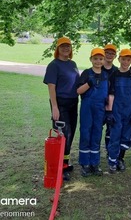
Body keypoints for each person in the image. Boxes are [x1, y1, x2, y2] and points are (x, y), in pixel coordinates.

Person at [43, 36, 80, 181]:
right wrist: (55, 107)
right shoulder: (54, 65)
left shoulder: (72, 64)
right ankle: (59, 167)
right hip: (61, 103)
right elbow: (51, 87)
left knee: (71, 134)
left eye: (68, 46)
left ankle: (65, 162)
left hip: (73, 103)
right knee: (64, 134)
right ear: (57, 48)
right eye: (63, 46)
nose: (66, 48)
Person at [106, 49, 131, 174]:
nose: (126, 62)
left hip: (129, 111)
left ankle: (120, 159)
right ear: (119, 59)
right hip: (116, 111)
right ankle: (112, 162)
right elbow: (111, 94)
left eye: (128, 59)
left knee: (126, 137)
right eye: (123, 59)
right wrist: (109, 111)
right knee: (115, 136)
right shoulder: (114, 75)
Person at [77, 48, 109, 177]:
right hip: (87, 106)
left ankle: (95, 163)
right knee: (85, 132)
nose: (98, 61)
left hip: (100, 108)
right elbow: (78, 91)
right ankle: (85, 163)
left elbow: (108, 93)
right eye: (95, 58)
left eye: (100, 59)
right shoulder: (86, 73)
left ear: (104, 60)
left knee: (97, 133)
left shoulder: (106, 75)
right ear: (91, 59)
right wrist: (88, 84)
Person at [102, 44, 118, 154]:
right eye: (107, 52)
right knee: (96, 128)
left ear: (115, 56)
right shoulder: (97, 67)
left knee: (111, 128)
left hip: (113, 104)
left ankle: (109, 151)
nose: (109, 55)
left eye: (112, 53)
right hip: (99, 103)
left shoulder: (116, 70)